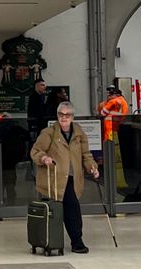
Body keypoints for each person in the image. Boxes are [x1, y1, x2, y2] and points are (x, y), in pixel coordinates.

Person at [31, 101, 99, 254]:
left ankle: (71, 241)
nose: (64, 118)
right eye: (61, 115)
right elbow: (35, 151)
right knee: (69, 209)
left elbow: (86, 155)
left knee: (69, 209)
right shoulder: (48, 133)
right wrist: (44, 158)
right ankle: (74, 242)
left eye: (67, 115)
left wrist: (92, 167)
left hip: (73, 178)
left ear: (72, 117)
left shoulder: (79, 133)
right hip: (54, 179)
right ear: (57, 116)